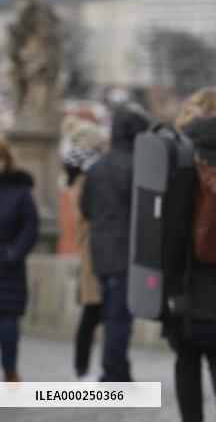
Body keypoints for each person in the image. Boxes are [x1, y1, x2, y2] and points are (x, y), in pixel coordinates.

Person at [165, 87, 216, 422]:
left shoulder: (182, 151)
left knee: (186, 354)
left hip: (188, 270)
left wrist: (167, 280)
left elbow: (170, 222)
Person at [80, 103, 150, 382]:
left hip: (100, 251)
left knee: (112, 316)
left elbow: (86, 209)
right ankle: (113, 373)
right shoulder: (138, 167)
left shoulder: (96, 168)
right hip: (127, 251)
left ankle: (119, 370)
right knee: (120, 318)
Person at [62, 119, 107, 381]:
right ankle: (83, 369)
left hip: (92, 247)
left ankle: (86, 368)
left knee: (94, 313)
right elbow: (87, 213)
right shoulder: (84, 176)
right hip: (92, 249)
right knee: (93, 313)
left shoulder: (80, 172)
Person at [0, 134, 39, 382]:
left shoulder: (20, 192)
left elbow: (31, 226)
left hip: (8, 267)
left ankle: (11, 369)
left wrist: (15, 253)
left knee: (8, 321)